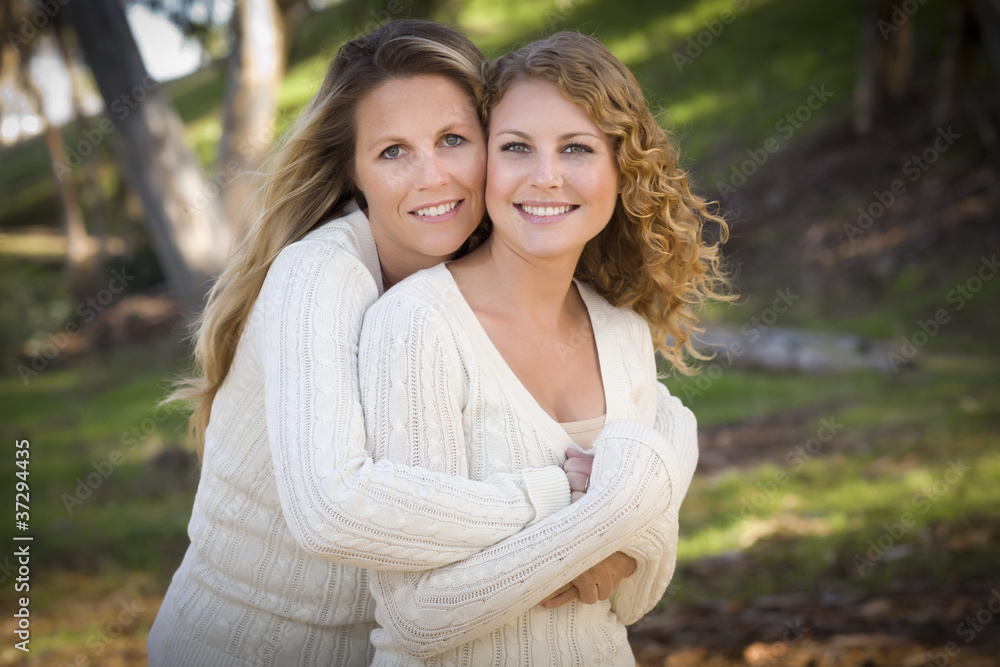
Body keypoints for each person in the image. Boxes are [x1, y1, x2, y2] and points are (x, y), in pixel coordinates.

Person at [147, 21, 596, 667]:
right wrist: (554, 501)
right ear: (354, 171)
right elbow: (332, 509)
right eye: (393, 152)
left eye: (452, 139)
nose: (433, 176)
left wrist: (603, 537)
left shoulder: (491, 279)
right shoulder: (318, 274)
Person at [358, 31, 731, 665]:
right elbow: (418, 615)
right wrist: (607, 516)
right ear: (485, 165)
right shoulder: (418, 324)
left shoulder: (622, 333)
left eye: (577, 148)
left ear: (621, 170)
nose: (546, 177)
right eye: (516, 148)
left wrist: (612, 524)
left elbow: (635, 596)